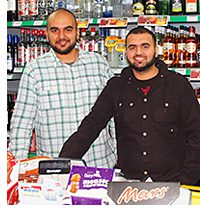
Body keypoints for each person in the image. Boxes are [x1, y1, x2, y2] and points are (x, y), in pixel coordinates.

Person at [59, 26, 200, 185]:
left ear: (156, 50)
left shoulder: (178, 85)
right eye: (132, 47)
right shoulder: (116, 86)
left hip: (172, 183)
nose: (138, 52)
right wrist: (62, 163)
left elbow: (197, 135)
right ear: (126, 52)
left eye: (145, 46)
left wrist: (187, 180)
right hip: (129, 185)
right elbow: (91, 125)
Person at [9, 8, 117, 168]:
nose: (61, 37)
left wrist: (118, 153)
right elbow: (22, 125)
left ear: (77, 32)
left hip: (99, 166)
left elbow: (115, 116)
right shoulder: (34, 70)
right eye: (54, 30)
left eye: (68, 29)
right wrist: (17, 169)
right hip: (55, 171)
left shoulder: (99, 64)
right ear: (46, 34)